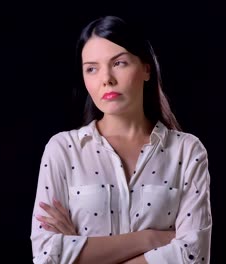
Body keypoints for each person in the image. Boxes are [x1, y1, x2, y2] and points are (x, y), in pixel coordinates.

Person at [30, 15, 212, 264]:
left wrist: (80, 253)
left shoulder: (186, 151)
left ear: (147, 68)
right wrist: (150, 239)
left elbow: (193, 256)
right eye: (91, 68)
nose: (106, 79)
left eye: (119, 63)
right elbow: (46, 256)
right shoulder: (63, 150)